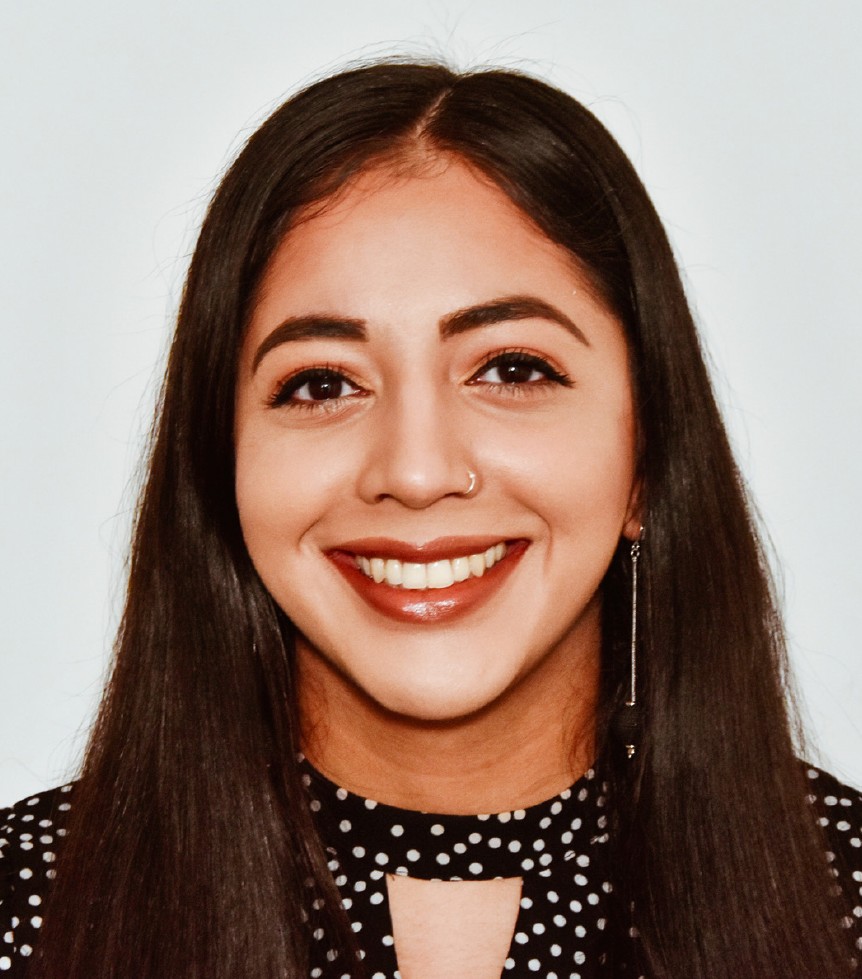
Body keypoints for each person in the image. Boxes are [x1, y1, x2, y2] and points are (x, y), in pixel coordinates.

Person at [1, 61, 860, 979]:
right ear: (223, 468)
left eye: (512, 369)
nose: (415, 472)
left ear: (645, 457)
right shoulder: (28, 902)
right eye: (322, 383)